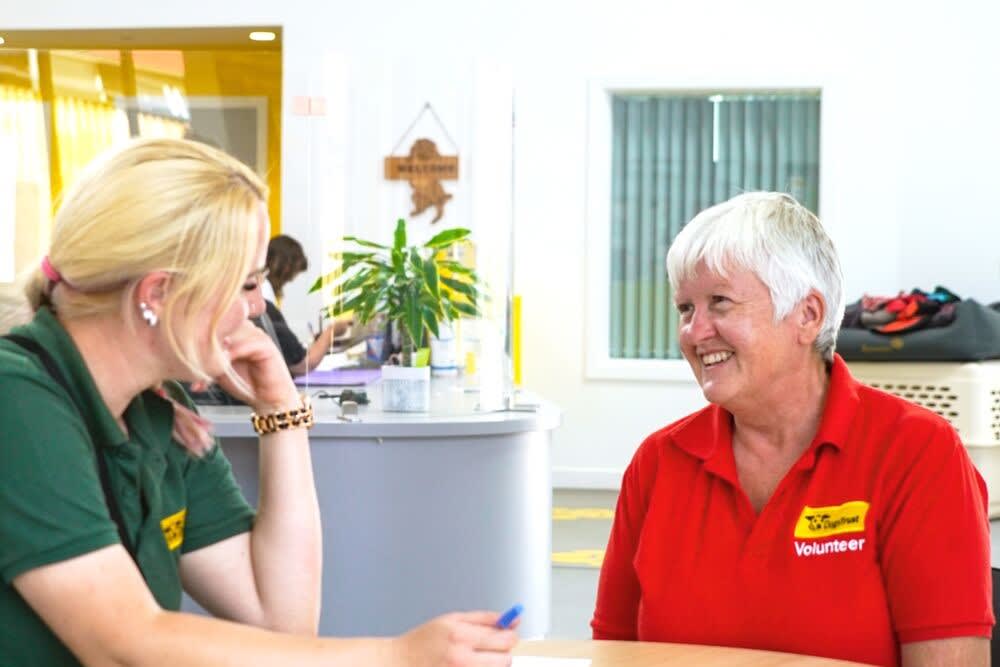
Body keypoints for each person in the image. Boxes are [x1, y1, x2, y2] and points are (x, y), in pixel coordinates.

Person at [0, 138, 518, 666]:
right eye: (248, 283)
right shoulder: (16, 398)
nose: (255, 308)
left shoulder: (159, 411)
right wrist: (395, 657)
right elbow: (122, 643)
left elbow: (283, 622)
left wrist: (281, 411)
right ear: (156, 294)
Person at [591, 192, 992, 666]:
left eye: (719, 303)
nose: (694, 333)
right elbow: (613, 655)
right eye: (685, 309)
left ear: (807, 315)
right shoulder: (658, 463)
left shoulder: (916, 452)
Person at [260, 234, 351, 376]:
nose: (289, 281)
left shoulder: (265, 295)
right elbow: (303, 364)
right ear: (286, 268)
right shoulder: (263, 301)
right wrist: (330, 333)